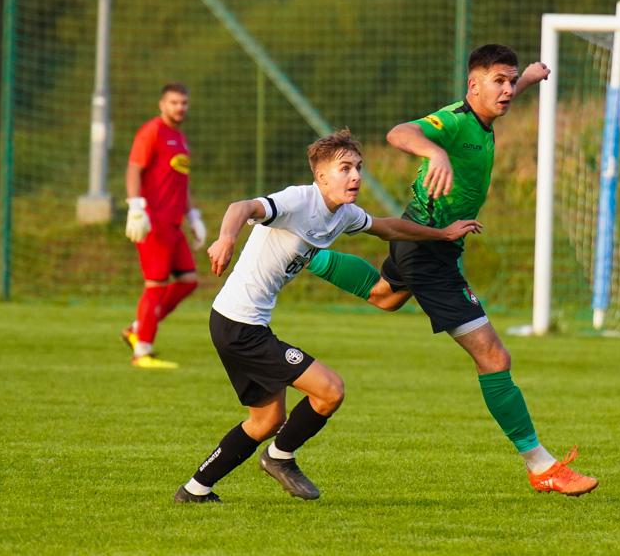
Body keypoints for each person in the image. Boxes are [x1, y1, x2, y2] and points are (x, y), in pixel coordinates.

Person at [307, 44, 599, 496]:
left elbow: (507, 90)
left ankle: (308, 254)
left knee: (385, 296)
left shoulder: (486, 115)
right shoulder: (455, 121)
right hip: (427, 249)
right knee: (495, 357)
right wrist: (435, 154)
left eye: (509, 81)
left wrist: (531, 77)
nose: (506, 90)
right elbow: (399, 133)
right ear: (472, 85)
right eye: (498, 81)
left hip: (423, 241)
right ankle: (542, 466)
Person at [172, 129, 482, 503]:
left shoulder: (345, 214)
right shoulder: (298, 200)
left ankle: (195, 490)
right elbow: (242, 207)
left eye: (358, 168)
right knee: (330, 390)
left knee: (266, 421)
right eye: (345, 168)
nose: (355, 176)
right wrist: (226, 239)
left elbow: (388, 227)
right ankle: (279, 457)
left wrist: (442, 234)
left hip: (236, 323)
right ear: (321, 177)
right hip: (240, 326)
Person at [122, 82, 207, 370]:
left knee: (188, 281)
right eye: (174, 102)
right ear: (162, 104)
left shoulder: (180, 139)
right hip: (153, 222)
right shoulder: (152, 131)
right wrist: (136, 206)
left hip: (173, 224)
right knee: (155, 285)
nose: (179, 107)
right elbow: (134, 168)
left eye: (183, 103)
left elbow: (181, 183)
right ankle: (142, 351)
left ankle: (137, 328)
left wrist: (193, 215)